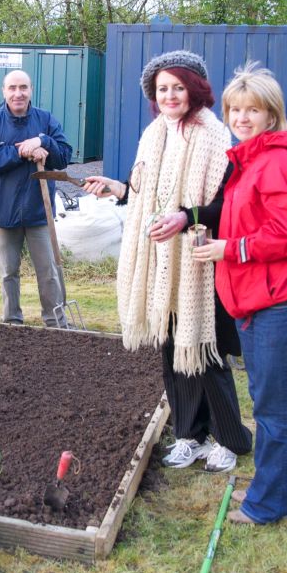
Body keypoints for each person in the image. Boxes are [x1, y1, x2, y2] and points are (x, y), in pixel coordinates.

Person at [83, 50, 252, 472]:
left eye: (178, 87)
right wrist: (119, 190)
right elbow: (146, 193)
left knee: (206, 352)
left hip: (199, 260)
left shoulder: (213, 135)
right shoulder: (154, 133)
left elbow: (223, 206)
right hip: (161, 261)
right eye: (162, 89)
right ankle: (188, 435)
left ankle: (229, 439)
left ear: (195, 89)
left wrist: (184, 218)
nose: (170, 95)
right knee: (171, 349)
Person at [193, 63, 287, 524]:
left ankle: (267, 505)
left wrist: (233, 248)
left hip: (280, 305)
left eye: (254, 109)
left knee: (272, 412)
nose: (242, 117)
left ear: (272, 114)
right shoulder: (250, 158)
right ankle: (277, 491)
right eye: (235, 109)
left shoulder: (278, 162)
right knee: (270, 406)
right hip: (258, 302)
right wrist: (218, 240)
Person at [0, 69, 73, 326]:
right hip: (4, 210)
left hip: (39, 210)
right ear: (4, 92)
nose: (18, 93)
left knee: (47, 270)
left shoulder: (45, 120)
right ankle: (12, 321)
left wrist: (43, 142)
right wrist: (22, 152)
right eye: (12, 88)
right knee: (9, 272)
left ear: (30, 90)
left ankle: (55, 321)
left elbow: (63, 156)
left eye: (23, 88)